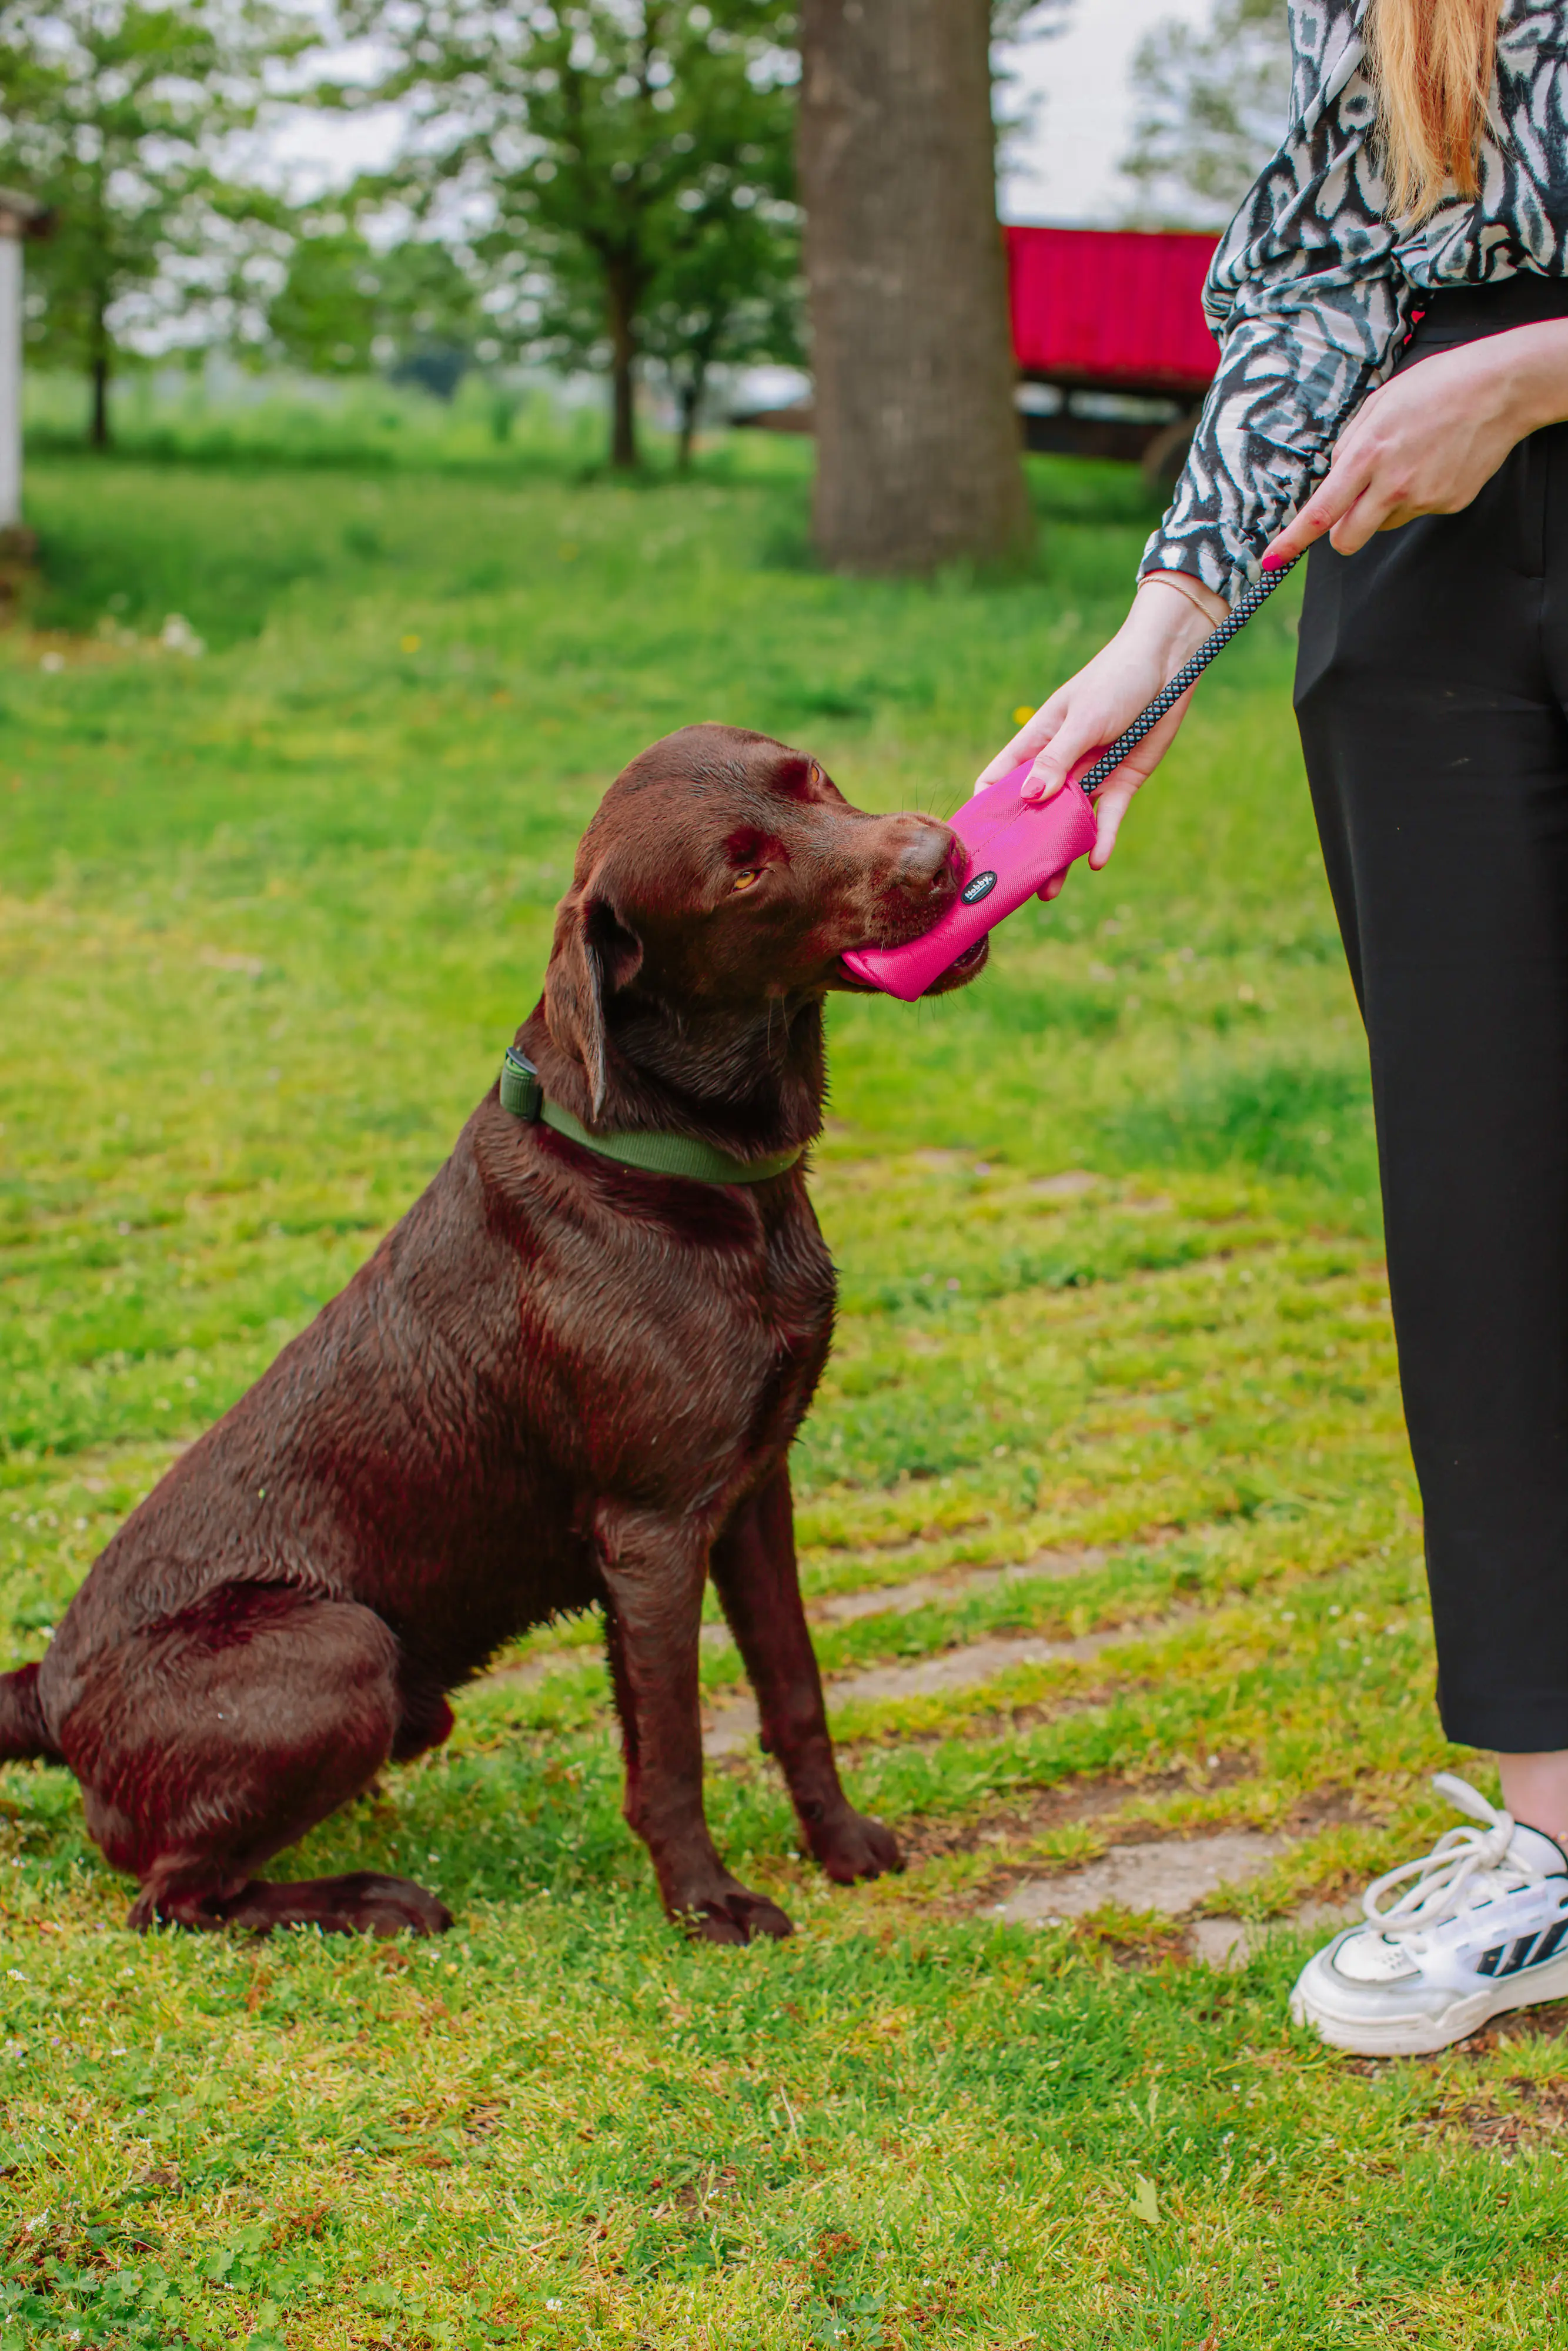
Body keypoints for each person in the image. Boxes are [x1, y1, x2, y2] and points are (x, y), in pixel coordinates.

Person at [978, 0, 1568, 2057]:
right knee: (1487, 1215)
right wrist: (1164, 634)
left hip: (1497, 414)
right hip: (1432, 585)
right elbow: (1321, 272)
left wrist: (1532, 368)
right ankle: (1556, 1838)